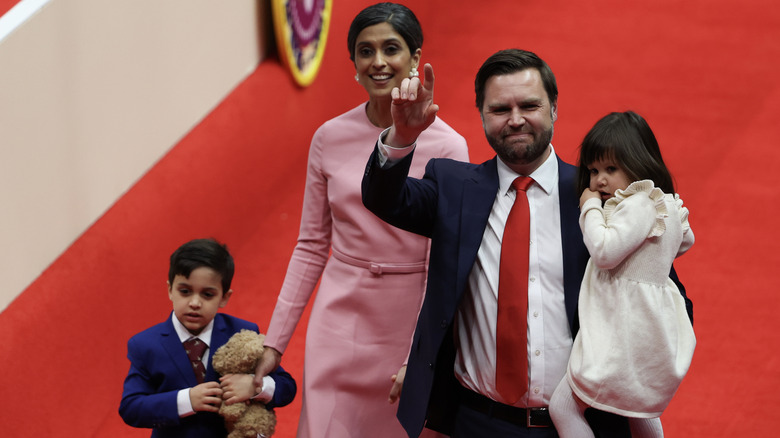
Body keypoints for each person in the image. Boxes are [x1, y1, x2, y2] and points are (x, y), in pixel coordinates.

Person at [361, 49, 692, 438]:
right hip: (475, 421)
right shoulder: (453, 188)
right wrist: (403, 135)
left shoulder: (600, 198)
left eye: (530, 105)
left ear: (554, 109)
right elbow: (384, 199)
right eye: (500, 108)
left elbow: (660, 290)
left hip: (581, 423)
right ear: (481, 114)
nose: (516, 120)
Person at [253, 3, 468, 438]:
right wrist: (274, 342)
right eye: (365, 51)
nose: (378, 62)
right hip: (339, 316)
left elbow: (444, 261)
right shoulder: (329, 137)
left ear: (415, 57)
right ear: (353, 64)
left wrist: (421, 353)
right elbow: (312, 244)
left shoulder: (449, 146)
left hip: (408, 319)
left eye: (392, 48)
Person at [548, 111, 696, 438]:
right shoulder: (664, 203)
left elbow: (603, 252)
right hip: (649, 325)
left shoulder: (637, 204)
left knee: (562, 406)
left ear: (638, 162)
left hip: (623, 329)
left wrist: (590, 208)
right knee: (637, 409)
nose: (599, 180)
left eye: (611, 169)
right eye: (593, 171)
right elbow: (685, 240)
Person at [119, 238, 297, 438]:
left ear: (224, 297)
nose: (195, 302)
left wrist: (254, 386)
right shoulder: (145, 345)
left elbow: (287, 387)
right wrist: (187, 400)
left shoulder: (242, 332)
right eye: (185, 291)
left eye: (207, 294)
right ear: (170, 289)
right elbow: (130, 407)